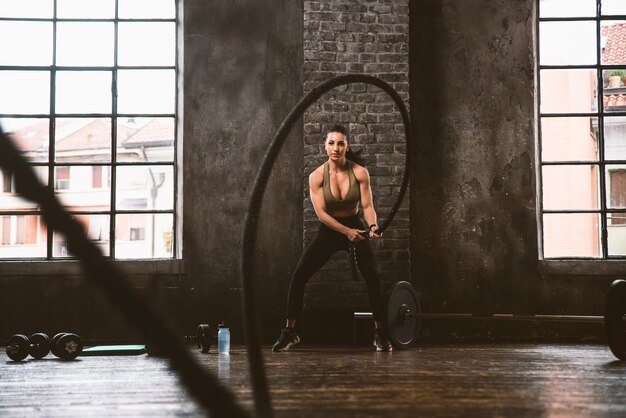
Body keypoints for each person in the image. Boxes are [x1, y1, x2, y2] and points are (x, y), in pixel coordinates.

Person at [272, 124, 393, 352]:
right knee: (299, 275)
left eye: (340, 143)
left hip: (355, 226)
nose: (335, 148)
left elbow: (367, 206)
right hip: (329, 231)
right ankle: (290, 332)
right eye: (331, 143)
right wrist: (345, 232)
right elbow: (322, 215)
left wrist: (373, 225)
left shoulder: (360, 173)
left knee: (373, 279)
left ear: (347, 146)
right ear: (325, 147)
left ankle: (380, 333)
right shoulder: (317, 176)